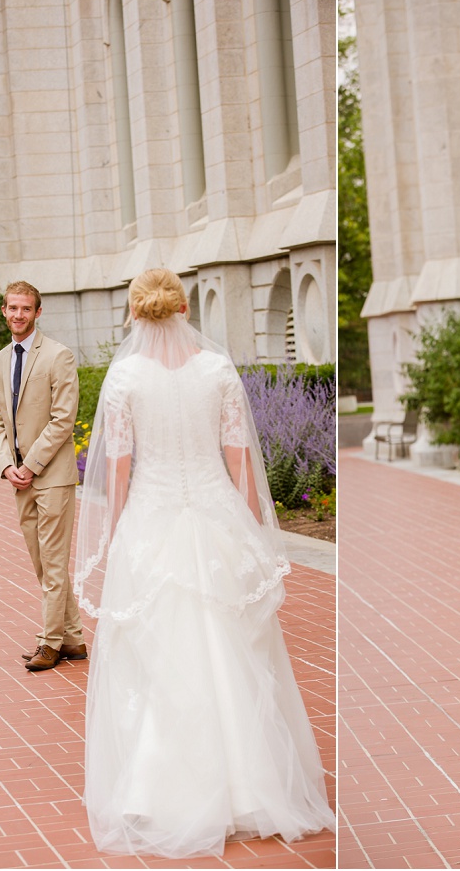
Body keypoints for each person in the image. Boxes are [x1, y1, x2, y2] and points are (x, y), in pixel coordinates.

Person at [73, 268, 335, 859]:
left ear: (136, 314)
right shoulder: (216, 370)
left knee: (159, 654)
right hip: (215, 516)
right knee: (231, 647)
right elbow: (240, 458)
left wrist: (116, 535)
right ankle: (250, 785)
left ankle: (160, 786)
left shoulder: (125, 377)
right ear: (185, 309)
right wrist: (253, 530)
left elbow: (117, 467)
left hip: (152, 517)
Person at [0, 281, 85, 672]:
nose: (18, 315)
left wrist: (32, 464)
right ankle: (74, 639)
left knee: (55, 561)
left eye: (26, 309)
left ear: (37, 312)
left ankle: (50, 642)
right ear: (4, 310)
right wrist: (7, 466)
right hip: (19, 478)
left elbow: (64, 419)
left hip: (53, 476)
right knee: (42, 563)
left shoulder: (59, 356)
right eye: (12, 308)